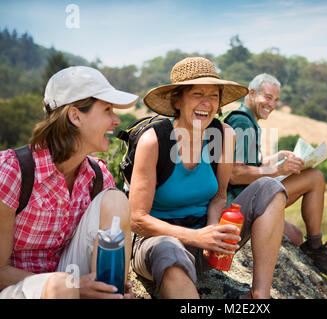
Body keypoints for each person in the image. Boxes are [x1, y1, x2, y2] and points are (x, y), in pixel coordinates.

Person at [129, 57, 287, 299]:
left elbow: (219, 196)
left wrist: (213, 232)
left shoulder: (224, 135)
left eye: (214, 96)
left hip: (203, 244)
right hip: (157, 244)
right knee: (169, 251)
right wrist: (196, 236)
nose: (207, 103)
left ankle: (259, 295)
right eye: (197, 94)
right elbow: (137, 219)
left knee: (270, 187)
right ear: (177, 99)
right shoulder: (154, 141)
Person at [0, 66, 138, 299]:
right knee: (62, 286)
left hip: (69, 279)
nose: (116, 120)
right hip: (17, 288)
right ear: (75, 116)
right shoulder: (12, 172)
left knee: (116, 200)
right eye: (107, 109)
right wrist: (72, 286)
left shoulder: (98, 175)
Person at [225, 73, 327, 277]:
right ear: (251, 93)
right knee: (315, 177)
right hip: (239, 203)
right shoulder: (242, 123)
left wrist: (275, 159)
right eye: (268, 97)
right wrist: (279, 170)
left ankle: (310, 247)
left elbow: (249, 165)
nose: (272, 104)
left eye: (276, 100)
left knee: (295, 237)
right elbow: (234, 174)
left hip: (247, 196)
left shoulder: (247, 122)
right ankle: (316, 247)